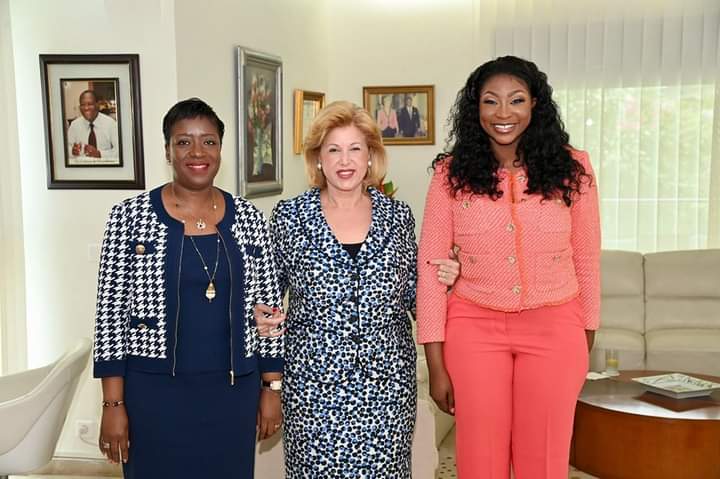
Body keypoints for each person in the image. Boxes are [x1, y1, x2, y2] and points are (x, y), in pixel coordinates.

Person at [416, 56, 601, 479]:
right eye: (490, 101)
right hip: (473, 328)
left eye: (516, 100)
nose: (503, 113)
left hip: (556, 327)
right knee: (480, 462)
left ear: (535, 104)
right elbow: (431, 267)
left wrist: (582, 340)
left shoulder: (574, 169)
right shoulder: (450, 174)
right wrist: (436, 361)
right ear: (474, 108)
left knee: (545, 462)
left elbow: (587, 259)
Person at [253, 101, 459, 478]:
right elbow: (267, 304)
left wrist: (447, 279)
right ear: (317, 159)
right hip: (313, 388)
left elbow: (418, 298)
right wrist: (270, 375)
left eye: (355, 149)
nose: (344, 161)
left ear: (371, 157)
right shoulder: (289, 217)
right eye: (333, 149)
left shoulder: (398, 217)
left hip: (387, 389)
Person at [92, 98, 283, 478]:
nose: (197, 152)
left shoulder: (249, 218)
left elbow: (270, 310)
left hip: (232, 392)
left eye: (208, 142)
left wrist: (271, 388)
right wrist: (113, 406)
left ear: (220, 150)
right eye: (184, 142)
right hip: (153, 393)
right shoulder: (129, 217)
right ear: (167, 150)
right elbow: (110, 317)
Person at [67, 90, 119, 160]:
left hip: (105, 168)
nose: (86, 108)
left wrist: (99, 154)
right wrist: (72, 151)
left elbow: (119, 151)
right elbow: (66, 149)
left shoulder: (110, 124)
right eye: (83, 105)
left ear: (97, 105)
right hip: (81, 169)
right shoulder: (74, 125)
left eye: (90, 104)